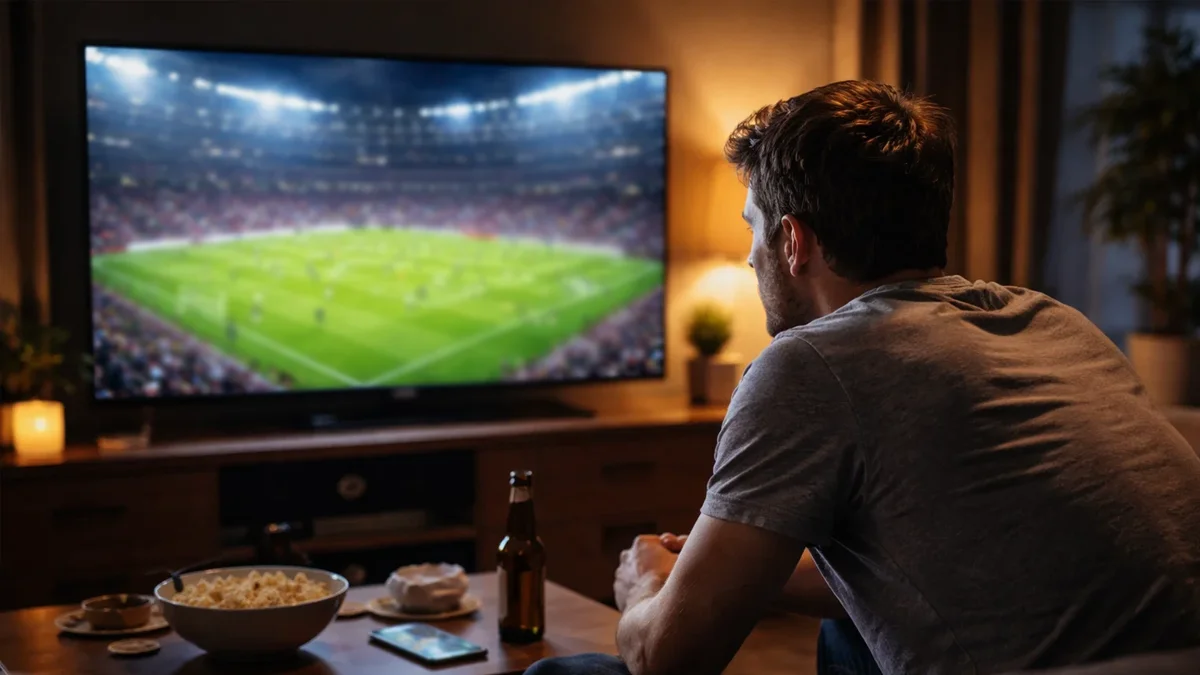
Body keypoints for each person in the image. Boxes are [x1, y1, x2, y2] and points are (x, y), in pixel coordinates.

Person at [525, 80, 1200, 675]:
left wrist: (651, 586)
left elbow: (667, 656)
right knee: (846, 629)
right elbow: (950, 564)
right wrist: (733, 572)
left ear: (793, 241)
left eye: (752, 228)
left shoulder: (813, 366)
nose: (747, 255)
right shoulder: (1053, 320)